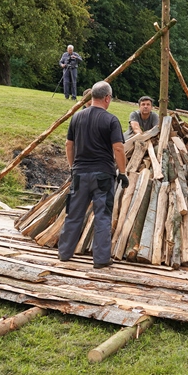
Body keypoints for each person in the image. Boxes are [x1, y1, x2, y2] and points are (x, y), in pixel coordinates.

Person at [58, 81, 128, 268]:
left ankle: (64, 254)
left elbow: (68, 145)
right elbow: (119, 148)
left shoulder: (76, 118)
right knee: (102, 216)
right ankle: (101, 259)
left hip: (80, 175)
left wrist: (74, 167)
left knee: (73, 214)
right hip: (103, 176)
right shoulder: (111, 120)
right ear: (107, 98)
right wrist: (122, 172)